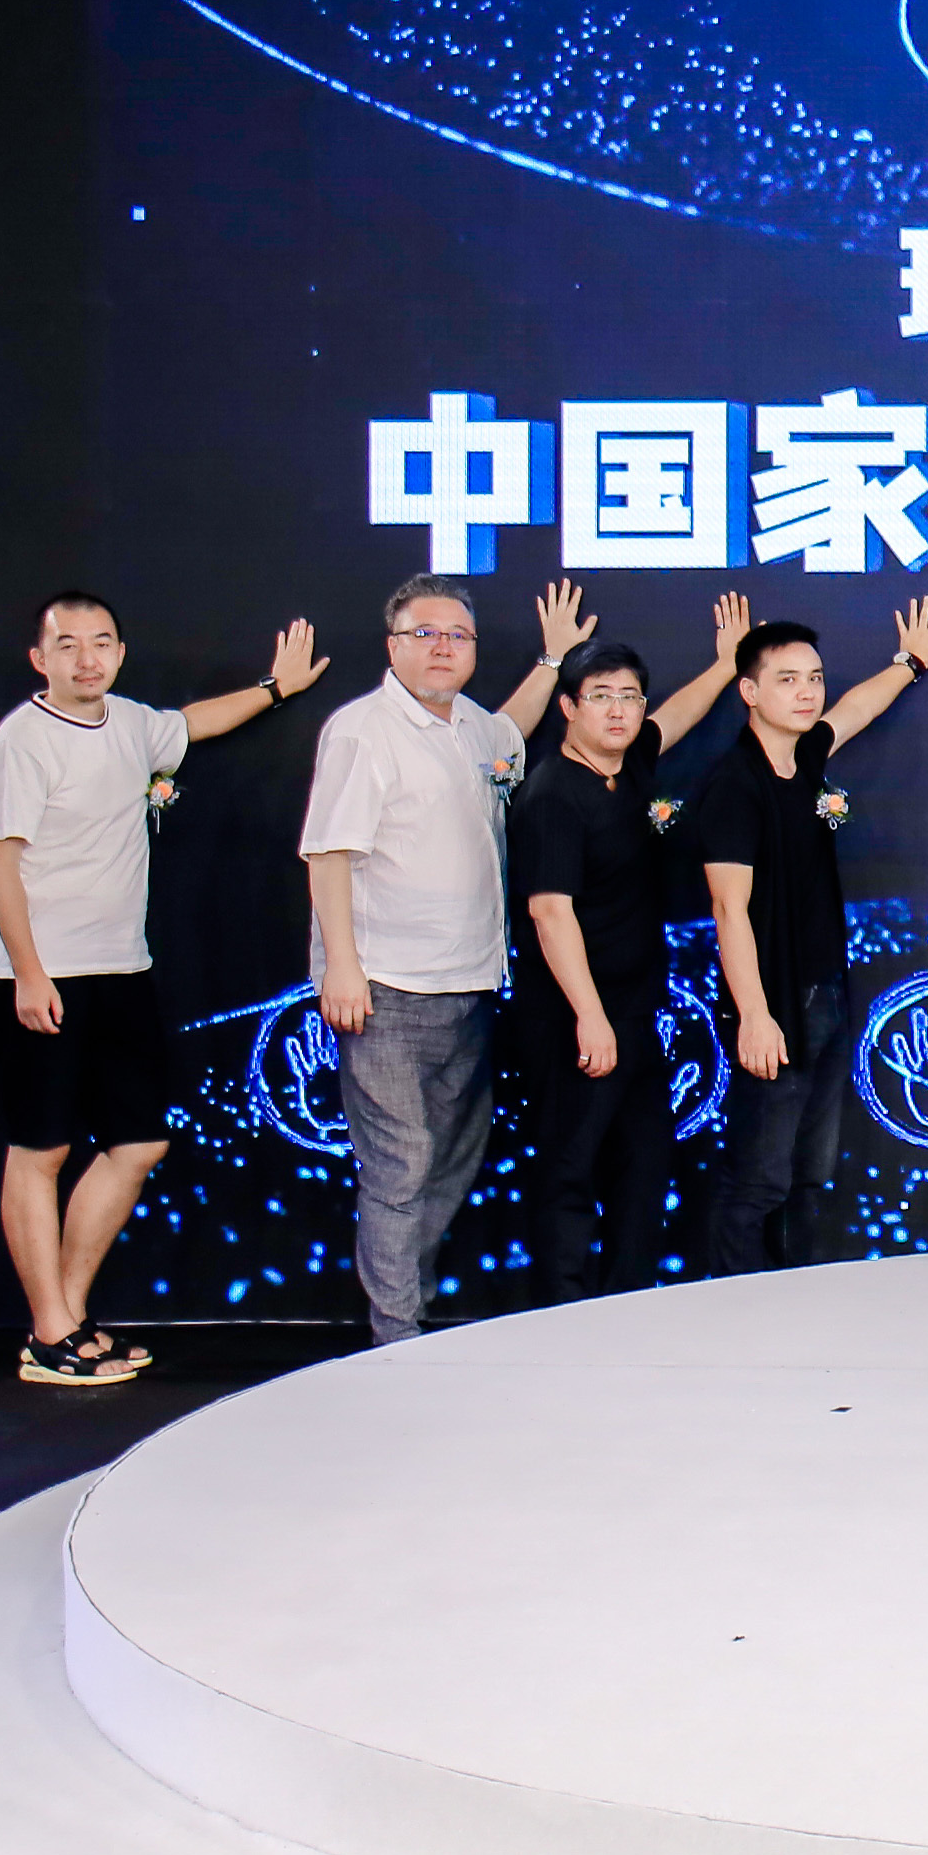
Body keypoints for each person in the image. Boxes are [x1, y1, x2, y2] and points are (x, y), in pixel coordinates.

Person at [0, 591, 321, 1385]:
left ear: (120, 653)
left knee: (138, 1144)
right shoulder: (22, 740)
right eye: (68, 645)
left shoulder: (132, 723)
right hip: (41, 975)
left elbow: (192, 723)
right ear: (39, 659)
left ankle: (63, 1319)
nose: (86, 658)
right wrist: (29, 971)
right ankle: (52, 1332)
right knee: (41, 1149)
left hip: (121, 969)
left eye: (101, 642)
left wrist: (276, 688)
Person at [302, 573, 584, 1340]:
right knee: (401, 1163)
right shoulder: (362, 730)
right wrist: (340, 965)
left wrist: (553, 661)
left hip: (469, 983)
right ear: (392, 646)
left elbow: (512, 733)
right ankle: (395, 1338)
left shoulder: (472, 728)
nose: (441, 647)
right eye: (423, 633)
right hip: (385, 986)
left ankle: (410, 1306)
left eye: (457, 635)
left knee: (452, 1158)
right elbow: (327, 854)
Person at [688, 600, 928, 1276]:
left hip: (826, 996)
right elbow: (728, 909)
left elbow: (856, 709)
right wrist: (755, 1015)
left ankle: (792, 1298)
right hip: (775, 1003)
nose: (807, 691)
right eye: (787, 679)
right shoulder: (734, 784)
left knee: (808, 1172)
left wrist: (909, 663)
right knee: (759, 1177)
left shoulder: (803, 757)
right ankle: (733, 1307)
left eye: (813, 677)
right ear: (749, 691)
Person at [506, 594, 752, 1310]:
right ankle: (561, 1318)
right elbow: (549, 913)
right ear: (568, 708)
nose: (619, 711)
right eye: (600, 697)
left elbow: (674, 719)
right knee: (571, 1169)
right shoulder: (553, 794)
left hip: (637, 1010)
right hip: (572, 1016)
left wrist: (725, 665)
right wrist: (590, 1016)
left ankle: (628, 1310)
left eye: (629, 697)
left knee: (644, 1166)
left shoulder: (629, 763)